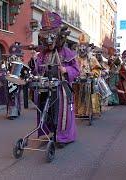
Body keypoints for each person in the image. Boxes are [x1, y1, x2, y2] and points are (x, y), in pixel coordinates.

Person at [34, 11, 80, 147]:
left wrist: (66, 70)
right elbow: (37, 69)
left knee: (61, 113)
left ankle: (63, 137)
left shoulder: (67, 52)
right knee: (46, 110)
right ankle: (50, 134)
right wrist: (34, 61)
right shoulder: (43, 54)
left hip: (62, 88)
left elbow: (77, 70)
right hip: (46, 87)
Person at [73, 33, 102, 119]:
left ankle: (89, 112)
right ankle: (78, 112)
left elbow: (97, 69)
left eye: (84, 46)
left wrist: (92, 73)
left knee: (89, 95)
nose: (82, 49)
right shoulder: (75, 58)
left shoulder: (91, 58)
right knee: (77, 95)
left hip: (89, 80)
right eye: (80, 46)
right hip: (78, 81)